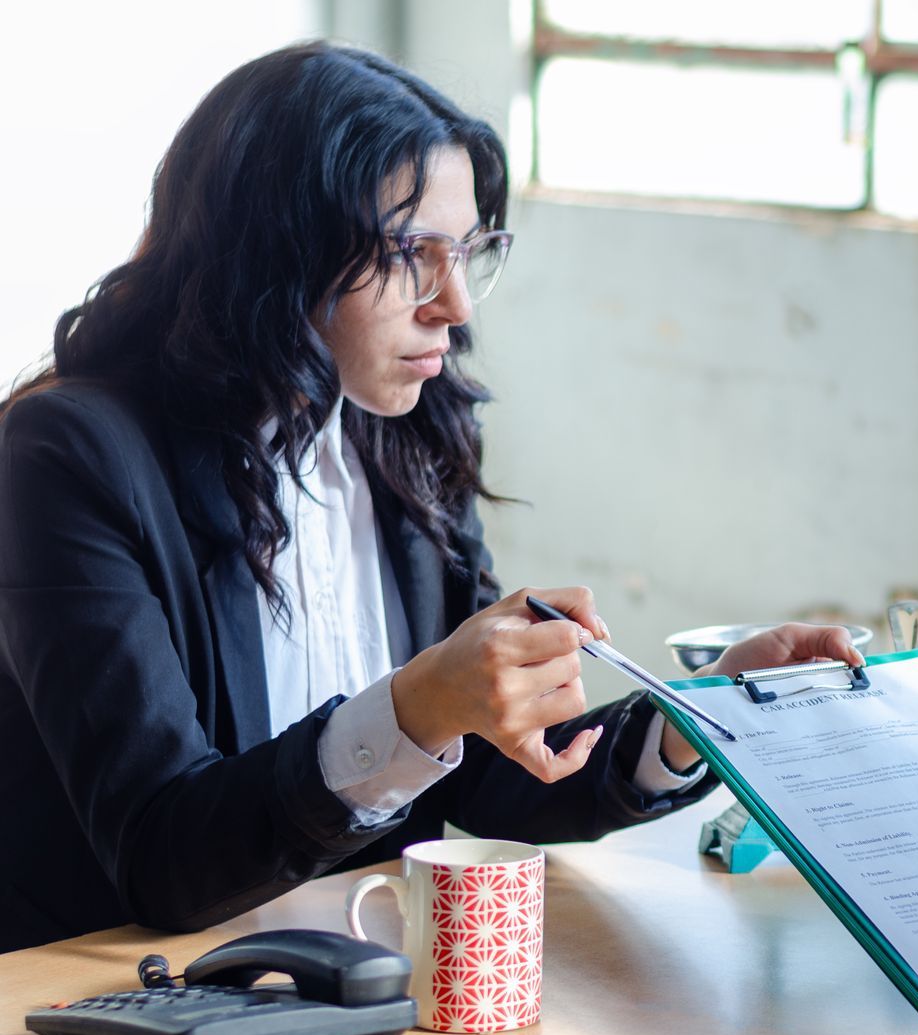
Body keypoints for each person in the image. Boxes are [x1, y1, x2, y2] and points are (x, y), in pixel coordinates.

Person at [0, 41, 857, 953]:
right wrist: (416, 707)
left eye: (470, 252)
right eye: (412, 254)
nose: (455, 305)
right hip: (117, 1011)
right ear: (273, 253)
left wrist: (701, 720)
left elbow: (481, 777)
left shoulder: (403, 424)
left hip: (359, 990)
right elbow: (163, 857)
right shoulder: (69, 455)